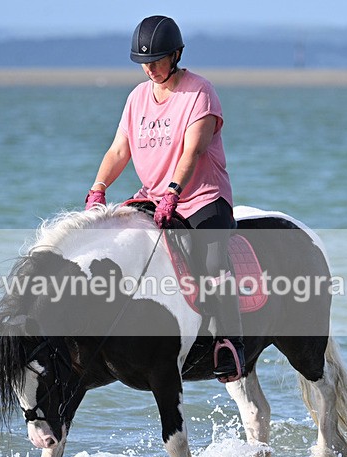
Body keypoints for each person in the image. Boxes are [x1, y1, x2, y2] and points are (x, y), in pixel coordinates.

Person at [84, 15, 245, 382]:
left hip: (202, 198)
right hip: (152, 196)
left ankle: (230, 344)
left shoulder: (199, 92)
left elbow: (194, 150)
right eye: (144, 63)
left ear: (176, 55)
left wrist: (173, 193)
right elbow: (119, 150)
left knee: (212, 260)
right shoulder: (137, 98)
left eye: (157, 61)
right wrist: (99, 188)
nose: (150, 69)